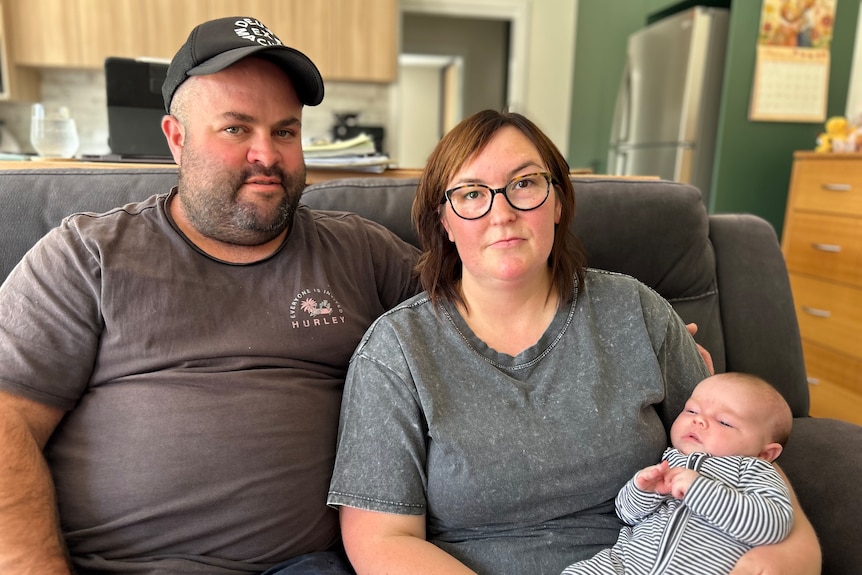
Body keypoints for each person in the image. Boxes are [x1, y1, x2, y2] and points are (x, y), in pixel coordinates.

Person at [0, 16, 420, 575]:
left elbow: (480, 318)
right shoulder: (88, 255)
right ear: (176, 138)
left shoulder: (361, 253)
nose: (266, 155)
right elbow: (8, 421)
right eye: (236, 129)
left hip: (306, 565)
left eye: (285, 131)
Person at [326, 110, 820, 575]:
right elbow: (382, 539)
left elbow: (737, 455)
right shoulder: (396, 350)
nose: (502, 213)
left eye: (524, 183)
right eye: (472, 193)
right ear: (444, 221)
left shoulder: (637, 310)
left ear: (558, 201)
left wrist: (797, 548)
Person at [560, 372, 794, 575]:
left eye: (724, 422)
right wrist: (642, 491)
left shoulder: (754, 470)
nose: (698, 420)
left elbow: (773, 525)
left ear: (766, 453)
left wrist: (699, 491)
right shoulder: (669, 459)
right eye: (691, 410)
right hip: (628, 564)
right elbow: (626, 515)